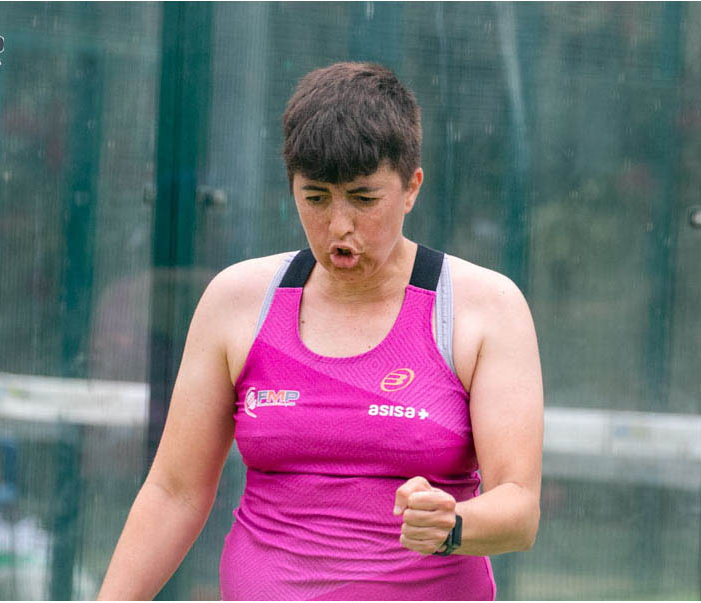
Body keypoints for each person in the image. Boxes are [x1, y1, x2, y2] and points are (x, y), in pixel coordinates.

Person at [97, 61, 543, 601]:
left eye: (364, 198)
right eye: (315, 197)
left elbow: (520, 508)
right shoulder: (237, 301)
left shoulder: (484, 307)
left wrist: (454, 525)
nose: (339, 225)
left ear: (411, 188)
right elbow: (175, 492)